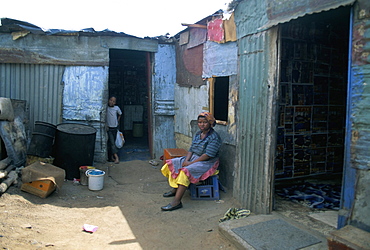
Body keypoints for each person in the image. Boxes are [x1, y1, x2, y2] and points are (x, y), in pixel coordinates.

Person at [160, 112, 222, 211]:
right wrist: (186, 160)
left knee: (185, 171)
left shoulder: (214, 137)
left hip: (207, 162)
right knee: (170, 164)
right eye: (199, 122)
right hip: (194, 158)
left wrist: (190, 164)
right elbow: (191, 149)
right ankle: (176, 188)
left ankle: (177, 201)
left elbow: (207, 155)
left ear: (210, 123)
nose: (201, 125)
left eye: (205, 122)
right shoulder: (198, 134)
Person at [106, 96, 122, 164]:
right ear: (108, 100)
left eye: (113, 101)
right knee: (112, 143)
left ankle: (112, 157)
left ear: (115, 103)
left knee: (113, 143)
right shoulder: (106, 108)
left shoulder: (116, 108)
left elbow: (120, 114)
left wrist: (117, 121)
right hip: (109, 128)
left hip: (115, 128)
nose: (111, 102)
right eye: (110, 100)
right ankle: (116, 157)